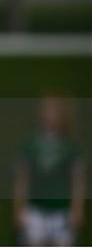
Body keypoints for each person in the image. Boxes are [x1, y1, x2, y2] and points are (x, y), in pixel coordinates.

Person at [14, 95, 86, 246]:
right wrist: (20, 208)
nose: (49, 115)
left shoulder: (71, 148)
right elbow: (22, 179)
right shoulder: (30, 146)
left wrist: (77, 209)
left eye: (54, 111)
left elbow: (77, 181)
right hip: (36, 209)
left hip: (62, 210)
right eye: (47, 110)